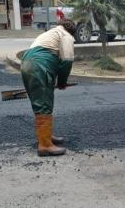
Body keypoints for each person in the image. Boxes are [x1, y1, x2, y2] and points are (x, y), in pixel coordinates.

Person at [21, 18, 76, 157]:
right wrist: (62, 82)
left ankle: (45, 136)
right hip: (39, 65)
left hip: (27, 63)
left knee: (41, 102)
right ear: (71, 31)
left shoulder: (50, 33)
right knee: (44, 104)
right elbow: (67, 61)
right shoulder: (66, 36)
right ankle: (45, 145)